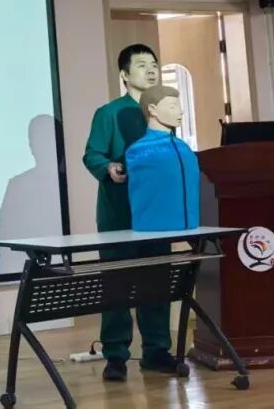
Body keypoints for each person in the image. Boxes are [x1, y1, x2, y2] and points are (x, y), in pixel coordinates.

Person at [83, 43, 177, 381]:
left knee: (156, 285)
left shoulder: (162, 112)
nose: (151, 70)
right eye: (141, 65)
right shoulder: (109, 113)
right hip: (119, 215)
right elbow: (92, 154)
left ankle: (157, 351)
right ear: (124, 75)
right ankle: (116, 356)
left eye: (154, 64)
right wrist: (108, 168)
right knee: (117, 287)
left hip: (156, 215)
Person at [126, 85, 200, 232]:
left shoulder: (183, 148)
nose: (180, 111)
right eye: (173, 106)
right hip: (152, 229)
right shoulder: (139, 150)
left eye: (179, 106)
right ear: (152, 109)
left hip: (190, 227)